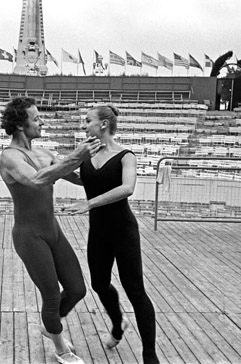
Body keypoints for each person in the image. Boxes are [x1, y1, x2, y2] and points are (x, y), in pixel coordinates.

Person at [0, 96, 102, 364]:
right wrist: (76, 156)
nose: (41, 121)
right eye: (36, 118)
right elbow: (37, 180)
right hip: (29, 235)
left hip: (52, 230)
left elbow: (79, 177)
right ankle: (60, 348)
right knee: (52, 296)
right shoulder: (10, 157)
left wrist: (108, 158)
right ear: (21, 125)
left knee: (77, 289)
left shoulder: (44, 153)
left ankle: (50, 323)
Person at [65, 104, 160, 364]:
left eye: (88, 121)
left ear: (104, 124)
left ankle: (150, 355)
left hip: (123, 230)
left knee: (135, 290)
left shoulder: (125, 156)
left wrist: (90, 203)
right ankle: (118, 325)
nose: (85, 126)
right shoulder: (88, 154)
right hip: (99, 231)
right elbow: (86, 179)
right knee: (98, 283)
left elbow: (127, 188)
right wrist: (56, 171)